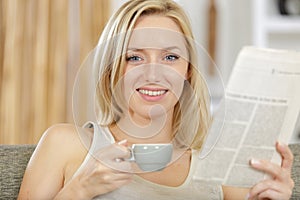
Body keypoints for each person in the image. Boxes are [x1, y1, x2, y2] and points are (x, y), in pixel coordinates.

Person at [18, 0, 294, 199]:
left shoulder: (217, 165)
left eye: (170, 57)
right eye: (135, 57)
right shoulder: (66, 144)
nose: (153, 73)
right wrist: (80, 190)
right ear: (113, 68)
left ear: (188, 70)